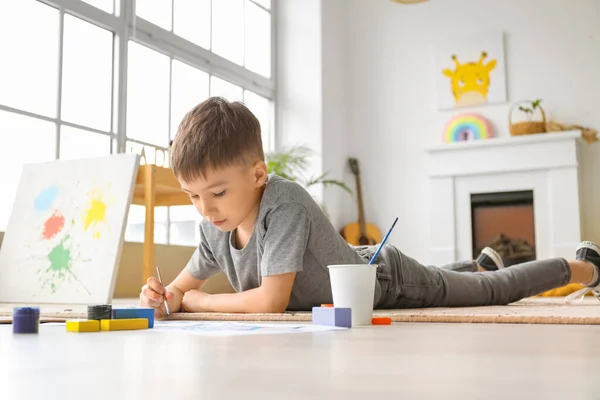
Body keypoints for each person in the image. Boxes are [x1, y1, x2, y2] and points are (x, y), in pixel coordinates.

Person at [139, 97, 600, 317]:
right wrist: (164, 297)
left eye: (217, 193)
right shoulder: (213, 222)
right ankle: (478, 264)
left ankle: (582, 267)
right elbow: (179, 288)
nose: (205, 208)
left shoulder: (282, 202)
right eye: (192, 195)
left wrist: (197, 300)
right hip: (357, 270)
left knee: (490, 292)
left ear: (258, 174)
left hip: (386, 280)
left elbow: (270, 302)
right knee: (459, 278)